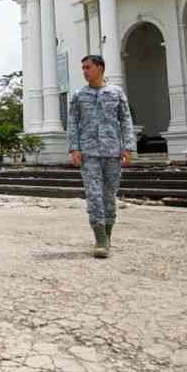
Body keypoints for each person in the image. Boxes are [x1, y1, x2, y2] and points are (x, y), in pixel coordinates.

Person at [66, 55, 135, 259]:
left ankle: (108, 235)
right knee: (94, 195)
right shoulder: (79, 95)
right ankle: (100, 240)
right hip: (89, 154)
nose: (84, 71)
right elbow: (72, 123)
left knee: (109, 196)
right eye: (83, 68)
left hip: (112, 152)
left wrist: (128, 147)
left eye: (88, 67)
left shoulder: (116, 93)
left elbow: (126, 120)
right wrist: (74, 149)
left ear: (100, 68)